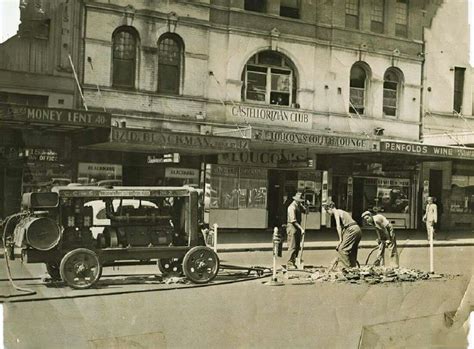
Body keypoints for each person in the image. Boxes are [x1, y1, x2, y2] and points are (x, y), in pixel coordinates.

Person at [323, 201, 361, 268]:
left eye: (327, 211)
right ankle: (354, 268)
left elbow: (339, 227)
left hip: (351, 229)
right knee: (352, 250)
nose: (328, 213)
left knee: (342, 249)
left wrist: (340, 240)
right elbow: (345, 228)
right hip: (357, 229)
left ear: (330, 208)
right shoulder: (342, 211)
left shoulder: (336, 212)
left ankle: (349, 269)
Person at [286, 192, 307, 269]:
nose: (300, 202)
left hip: (297, 227)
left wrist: (306, 206)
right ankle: (290, 263)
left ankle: (294, 261)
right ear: (296, 200)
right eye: (300, 200)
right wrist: (301, 229)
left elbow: (306, 212)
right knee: (293, 246)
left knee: (297, 245)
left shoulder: (299, 205)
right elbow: (293, 221)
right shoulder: (292, 207)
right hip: (292, 227)